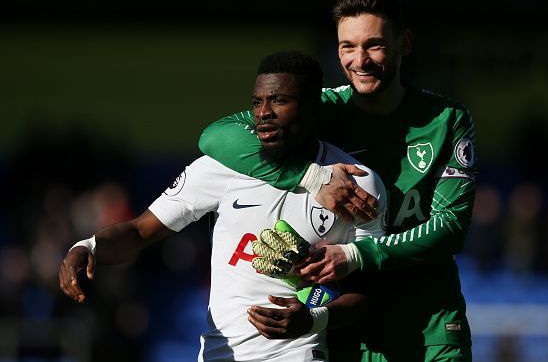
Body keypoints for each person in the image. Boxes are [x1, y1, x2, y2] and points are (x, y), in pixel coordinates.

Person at [198, 0, 477, 361]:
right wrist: (312, 177)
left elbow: (450, 228)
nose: (359, 60)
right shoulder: (322, 110)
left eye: (374, 45)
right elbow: (216, 135)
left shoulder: (447, 120)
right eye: (347, 46)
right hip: (346, 336)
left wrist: (356, 254)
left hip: (428, 332)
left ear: (404, 44)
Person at [59, 51, 387, 362]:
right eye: (258, 102)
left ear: (314, 107)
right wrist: (88, 246)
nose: (264, 113)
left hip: (296, 351)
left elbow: (366, 290)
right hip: (220, 352)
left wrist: (313, 319)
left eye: (280, 100)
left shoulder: (355, 184)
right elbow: (139, 231)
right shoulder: (222, 167)